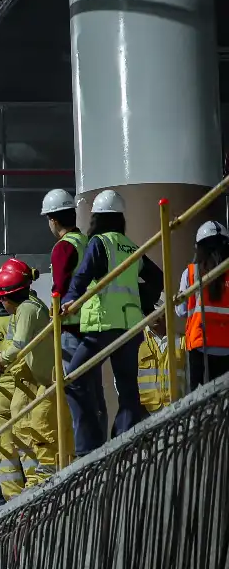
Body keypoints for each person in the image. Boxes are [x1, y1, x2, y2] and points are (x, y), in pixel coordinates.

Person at [63, 188, 163, 453]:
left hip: (102, 326)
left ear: (96, 217)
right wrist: (142, 302)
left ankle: (89, 446)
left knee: (73, 380)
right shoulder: (130, 247)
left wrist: (69, 300)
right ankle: (124, 440)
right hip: (130, 327)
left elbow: (82, 276)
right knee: (129, 389)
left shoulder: (99, 243)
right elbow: (157, 278)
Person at [0, 258, 62, 493]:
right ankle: (35, 477)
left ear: (8, 297)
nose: (0, 303)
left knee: (40, 422)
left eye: (1, 298)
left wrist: (0, 359)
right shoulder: (28, 307)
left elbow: (19, 345)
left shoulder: (27, 309)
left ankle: (45, 471)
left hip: (43, 378)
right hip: (33, 376)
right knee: (21, 422)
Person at [178, 219, 229, 391]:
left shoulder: (190, 273)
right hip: (226, 346)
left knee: (198, 400)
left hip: (200, 345)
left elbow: (180, 310)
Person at [41, 188, 87, 345]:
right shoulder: (86, 241)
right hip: (91, 318)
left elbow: (60, 285)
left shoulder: (64, 246)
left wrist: (54, 315)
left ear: (53, 220)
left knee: (70, 361)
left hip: (71, 322)